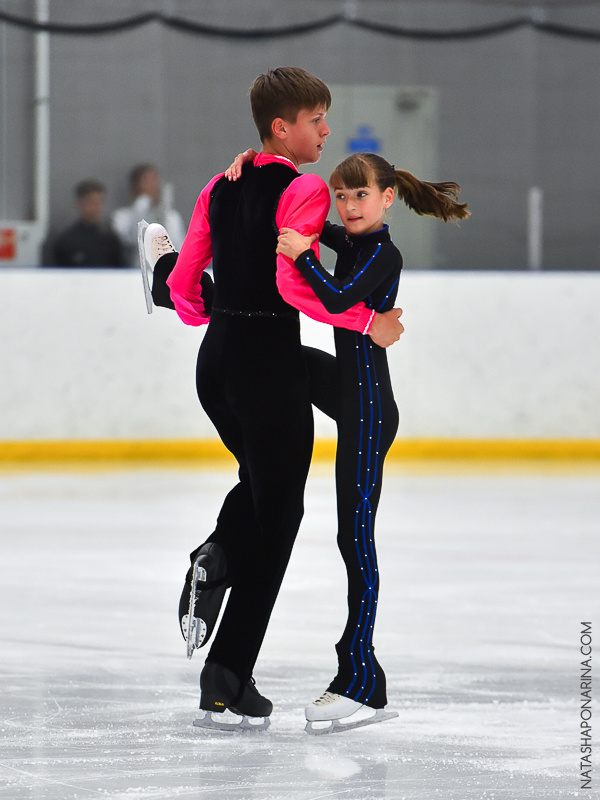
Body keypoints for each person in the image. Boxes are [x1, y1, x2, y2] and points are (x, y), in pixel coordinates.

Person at [142, 67, 404, 731]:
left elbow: (191, 287)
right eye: (317, 120)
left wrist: (179, 289)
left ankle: (219, 556)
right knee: (280, 515)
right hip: (267, 365)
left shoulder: (218, 184)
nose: (326, 131)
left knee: (262, 489)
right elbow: (295, 286)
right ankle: (228, 677)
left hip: (219, 366)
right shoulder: (305, 187)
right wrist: (362, 323)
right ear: (281, 127)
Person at [275, 152, 469, 732]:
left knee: (353, 536)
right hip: (348, 392)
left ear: (387, 198)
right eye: (341, 195)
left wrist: (303, 255)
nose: (348, 206)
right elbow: (307, 225)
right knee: (278, 362)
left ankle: (360, 680)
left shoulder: (384, 253)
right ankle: (361, 676)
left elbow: (336, 301)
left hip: (367, 412)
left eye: (360, 195)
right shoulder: (354, 239)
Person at [112, 163, 186, 265]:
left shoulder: (172, 217)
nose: (152, 186)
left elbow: (179, 247)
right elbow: (133, 240)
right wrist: (143, 203)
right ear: (135, 185)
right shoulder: (122, 217)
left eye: (155, 180)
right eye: (146, 181)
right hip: (135, 274)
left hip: (168, 274)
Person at [52, 179, 125, 267]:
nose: (97, 207)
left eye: (100, 202)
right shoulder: (66, 241)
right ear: (80, 203)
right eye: (92, 202)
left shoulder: (111, 241)